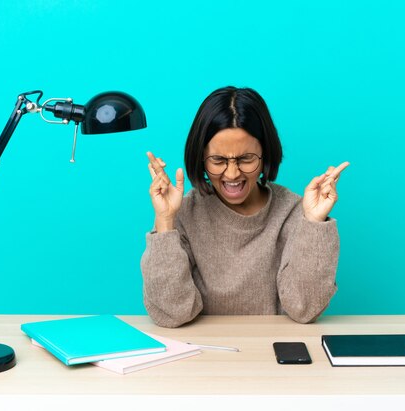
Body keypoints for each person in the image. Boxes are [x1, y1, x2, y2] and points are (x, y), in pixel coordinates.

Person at [141, 86, 349, 328]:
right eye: (218, 160)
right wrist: (165, 222)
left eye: (246, 159)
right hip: (203, 356)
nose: (232, 174)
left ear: (265, 155)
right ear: (200, 158)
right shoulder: (185, 213)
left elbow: (304, 309)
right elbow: (172, 313)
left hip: (272, 355)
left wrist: (314, 223)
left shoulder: (293, 211)